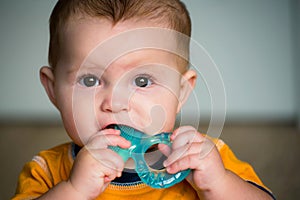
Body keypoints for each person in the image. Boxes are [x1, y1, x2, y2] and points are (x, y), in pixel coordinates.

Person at [13, 0, 275, 199]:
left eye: (142, 82)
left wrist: (219, 184)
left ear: (181, 92)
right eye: (90, 80)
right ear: (53, 90)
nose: (115, 103)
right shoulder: (47, 171)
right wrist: (74, 190)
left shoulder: (205, 158)